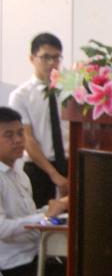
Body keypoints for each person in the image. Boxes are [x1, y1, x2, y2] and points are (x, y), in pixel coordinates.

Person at [0, 107, 69, 276]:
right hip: (11, 266)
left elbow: (28, 216)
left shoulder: (20, 174)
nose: (18, 140)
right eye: (9, 135)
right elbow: (2, 228)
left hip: (34, 255)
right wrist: (45, 216)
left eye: (20, 133)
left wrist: (55, 210)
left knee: (77, 272)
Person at [8, 33, 68, 209]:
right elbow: (27, 139)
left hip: (70, 163)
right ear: (32, 58)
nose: (52, 63)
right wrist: (53, 174)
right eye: (45, 57)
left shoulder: (69, 90)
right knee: (40, 218)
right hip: (39, 168)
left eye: (56, 57)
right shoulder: (21, 95)